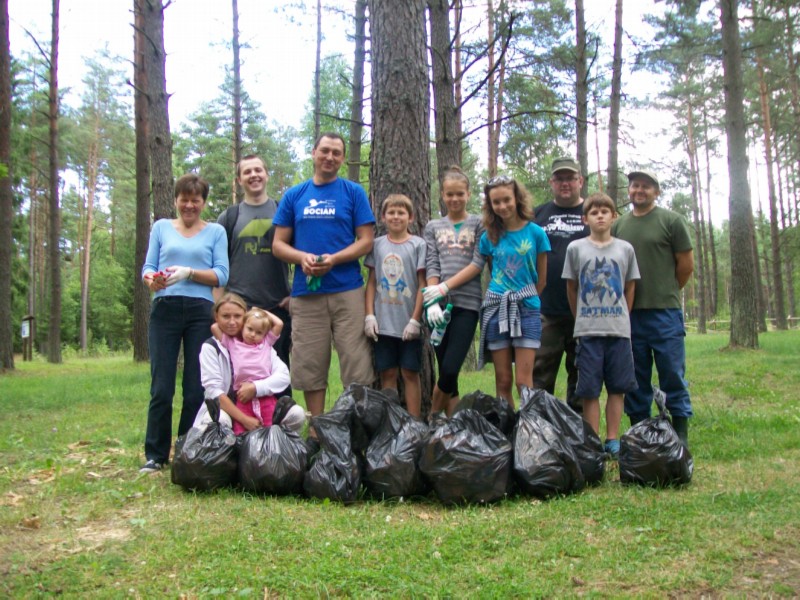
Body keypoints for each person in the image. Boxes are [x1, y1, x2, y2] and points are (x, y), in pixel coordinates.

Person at [272, 132, 375, 419]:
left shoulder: (353, 192)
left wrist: (335, 259)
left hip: (348, 290)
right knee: (310, 363)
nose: (330, 157)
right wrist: (302, 258)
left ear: (342, 158)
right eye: (325, 151)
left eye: (336, 153)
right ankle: (317, 427)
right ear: (314, 153)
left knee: (356, 362)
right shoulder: (295, 195)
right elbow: (278, 245)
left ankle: (353, 424)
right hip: (306, 293)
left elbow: (366, 240)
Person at [425, 175, 550, 408]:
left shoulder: (536, 233)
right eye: (496, 202)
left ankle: (528, 426)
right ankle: (505, 424)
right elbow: (492, 270)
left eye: (506, 200)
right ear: (490, 205)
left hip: (526, 308)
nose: (502, 206)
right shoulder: (489, 236)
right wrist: (436, 294)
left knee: (524, 382)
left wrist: (528, 299)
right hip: (495, 308)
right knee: (503, 380)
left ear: (517, 198)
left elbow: (541, 279)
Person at [140, 174, 229, 473]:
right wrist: (152, 280)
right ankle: (155, 454)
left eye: (195, 200)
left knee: (194, 387)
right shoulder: (161, 228)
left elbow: (222, 274)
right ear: (176, 200)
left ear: (203, 202)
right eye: (184, 199)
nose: (189, 205)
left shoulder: (215, 231)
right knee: (161, 387)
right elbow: (148, 267)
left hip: (199, 310)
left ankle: (186, 449)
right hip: (164, 309)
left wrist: (189, 272)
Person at [612, 169, 694, 447]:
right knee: (635, 376)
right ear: (629, 190)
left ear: (656, 191)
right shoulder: (619, 226)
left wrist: (666, 290)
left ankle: (680, 431)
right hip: (629, 313)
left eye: (646, 186)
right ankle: (640, 431)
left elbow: (685, 265)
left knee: (672, 372)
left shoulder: (671, 221)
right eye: (635, 186)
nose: (639, 191)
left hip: (664, 312)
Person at [562, 193, 640, 459]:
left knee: (617, 387)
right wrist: (579, 317)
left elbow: (630, 286)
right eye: (594, 212)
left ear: (614, 216)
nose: (600, 216)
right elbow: (572, 287)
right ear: (585, 219)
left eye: (605, 211)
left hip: (618, 331)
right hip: (587, 331)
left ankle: (613, 439)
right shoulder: (576, 249)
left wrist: (623, 315)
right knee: (589, 389)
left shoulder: (625, 249)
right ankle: (593, 441)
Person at [216, 154, 292, 395]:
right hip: (240, 311)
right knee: (238, 376)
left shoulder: (284, 211)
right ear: (239, 180)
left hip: (277, 308)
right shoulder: (229, 217)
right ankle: (238, 418)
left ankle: (282, 418)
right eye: (247, 172)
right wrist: (218, 308)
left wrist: (295, 295)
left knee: (279, 374)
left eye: (258, 170)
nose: (254, 175)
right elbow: (218, 266)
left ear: (267, 174)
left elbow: (301, 254)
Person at [422, 166, 484, 418]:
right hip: (437, 308)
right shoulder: (433, 226)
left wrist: (445, 286)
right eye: (449, 194)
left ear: (468, 194)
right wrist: (432, 300)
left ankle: (432, 418)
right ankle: (452, 428)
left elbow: (477, 263)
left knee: (449, 369)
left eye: (460, 194)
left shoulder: (478, 223)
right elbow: (432, 263)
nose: (455, 199)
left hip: (467, 305)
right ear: (443, 196)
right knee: (450, 376)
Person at [195, 293, 304, 433]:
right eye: (226, 316)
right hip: (228, 409)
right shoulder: (211, 347)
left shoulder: (261, 345)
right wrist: (244, 420)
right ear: (217, 317)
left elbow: (283, 377)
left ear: (246, 316)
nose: (232, 322)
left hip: (261, 402)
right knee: (218, 421)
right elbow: (214, 392)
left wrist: (255, 388)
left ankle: (279, 444)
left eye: (237, 316)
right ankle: (229, 446)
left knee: (296, 414)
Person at [533, 157, 589, 413]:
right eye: (559, 179)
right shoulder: (538, 215)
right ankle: (539, 427)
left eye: (570, 178)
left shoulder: (594, 212)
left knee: (582, 376)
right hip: (546, 310)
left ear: (580, 181)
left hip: (585, 311)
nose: (565, 183)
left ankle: (578, 429)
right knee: (540, 377)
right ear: (551, 182)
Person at [364, 194, 426, 417]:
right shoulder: (377, 244)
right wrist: (369, 315)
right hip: (383, 325)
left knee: (410, 373)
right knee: (387, 373)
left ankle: (414, 423)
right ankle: (390, 422)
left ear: (411, 217)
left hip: (408, 324)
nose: (396, 217)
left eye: (401, 213)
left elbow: (422, 284)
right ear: (383, 217)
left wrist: (415, 320)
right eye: (391, 212)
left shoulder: (418, 245)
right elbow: (372, 281)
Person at [211, 307, 286, 434]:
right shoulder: (232, 343)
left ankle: (269, 447)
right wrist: (241, 321)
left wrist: (259, 311)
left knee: (270, 429)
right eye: (250, 329)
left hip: (265, 396)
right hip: (243, 397)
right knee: (240, 430)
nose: (253, 334)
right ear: (243, 327)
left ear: (264, 334)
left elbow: (279, 323)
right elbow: (214, 327)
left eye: (259, 332)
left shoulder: (266, 343)